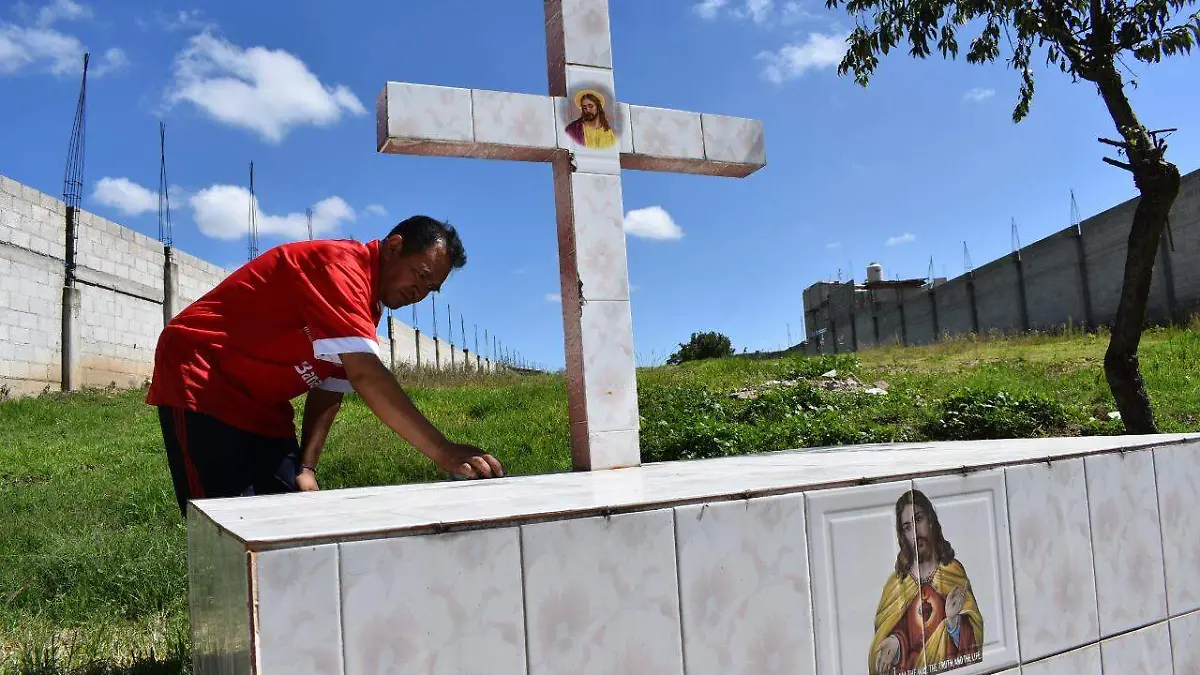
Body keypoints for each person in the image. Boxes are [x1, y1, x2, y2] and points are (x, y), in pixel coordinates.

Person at [146, 215, 504, 517]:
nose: (421, 292)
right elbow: (365, 374)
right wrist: (444, 450)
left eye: (432, 287)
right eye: (420, 274)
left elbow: (330, 388)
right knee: (229, 524)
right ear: (394, 247)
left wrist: (306, 468)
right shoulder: (341, 267)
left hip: (262, 404)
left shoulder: (367, 307)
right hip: (204, 377)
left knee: (292, 517)